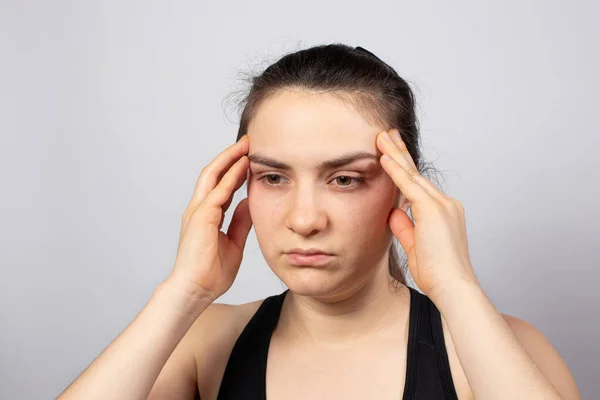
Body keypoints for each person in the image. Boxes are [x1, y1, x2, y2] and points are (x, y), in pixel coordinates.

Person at [57, 43, 581, 400]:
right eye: (274, 178)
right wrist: (183, 291)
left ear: (405, 187)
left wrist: (457, 289)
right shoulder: (204, 342)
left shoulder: (497, 348)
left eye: (345, 179)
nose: (304, 220)